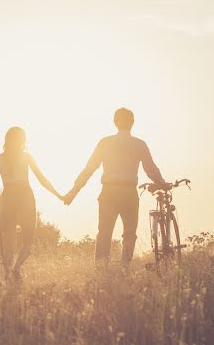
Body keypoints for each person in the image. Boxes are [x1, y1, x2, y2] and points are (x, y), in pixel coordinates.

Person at [63, 108, 167, 268]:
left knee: (104, 233)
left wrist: (73, 192)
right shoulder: (139, 144)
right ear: (132, 123)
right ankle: (125, 268)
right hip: (129, 192)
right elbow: (150, 168)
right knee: (130, 233)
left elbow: (89, 168)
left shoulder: (105, 142)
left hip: (109, 192)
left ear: (115, 122)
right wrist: (161, 182)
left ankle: (101, 270)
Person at [0, 127, 63, 282]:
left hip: (8, 196)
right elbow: (42, 179)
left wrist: (0, 203)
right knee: (28, 239)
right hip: (24, 196)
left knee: (9, 240)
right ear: (23, 141)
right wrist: (58, 194)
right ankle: (16, 269)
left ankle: (8, 273)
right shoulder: (26, 157)